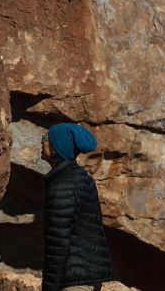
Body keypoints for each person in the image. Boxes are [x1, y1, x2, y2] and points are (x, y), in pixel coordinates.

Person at [40, 123, 112, 291]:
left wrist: (50, 287)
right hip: (90, 275)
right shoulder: (81, 177)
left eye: (45, 140)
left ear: (55, 147)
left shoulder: (62, 184)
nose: (41, 143)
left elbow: (58, 241)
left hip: (75, 281)